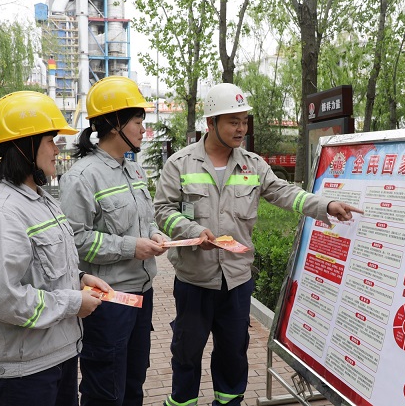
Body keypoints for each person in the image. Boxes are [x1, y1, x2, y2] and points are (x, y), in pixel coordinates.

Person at [153, 83, 363, 406]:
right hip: (194, 281)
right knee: (186, 354)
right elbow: (163, 211)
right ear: (210, 124)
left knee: (234, 355)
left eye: (244, 120)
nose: (241, 128)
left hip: (236, 282)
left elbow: (285, 193)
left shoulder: (253, 165)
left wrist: (326, 205)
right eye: (233, 121)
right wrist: (191, 230)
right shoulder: (180, 165)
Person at [0, 91, 110, 406]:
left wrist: (80, 278)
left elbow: (45, 269)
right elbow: (1, 298)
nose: (56, 149)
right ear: (24, 145)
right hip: (23, 373)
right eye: (50, 141)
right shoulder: (3, 213)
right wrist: (73, 303)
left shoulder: (41, 200)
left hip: (54, 355)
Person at [60, 76, 166, 406]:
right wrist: (129, 247)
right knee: (105, 386)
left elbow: (144, 221)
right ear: (114, 123)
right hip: (108, 301)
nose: (142, 130)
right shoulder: (82, 177)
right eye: (137, 122)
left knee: (134, 379)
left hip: (141, 295)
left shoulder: (134, 171)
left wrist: (153, 234)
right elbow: (74, 241)